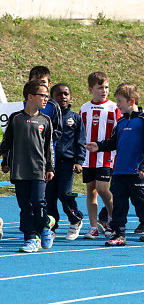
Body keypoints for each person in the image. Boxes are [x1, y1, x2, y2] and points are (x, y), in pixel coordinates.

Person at [85, 83, 144, 246]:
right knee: (119, 204)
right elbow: (113, 142)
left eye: (120, 101)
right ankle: (119, 234)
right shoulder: (121, 121)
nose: (117, 104)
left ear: (131, 101)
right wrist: (98, 146)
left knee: (140, 202)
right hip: (119, 170)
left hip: (136, 171)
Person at [0, 80, 56, 252]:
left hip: (39, 170)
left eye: (47, 96)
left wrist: (50, 167)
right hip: (19, 171)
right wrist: (5, 160)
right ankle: (31, 238)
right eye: (43, 95)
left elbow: (49, 147)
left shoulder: (45, 120)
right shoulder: (16, 118)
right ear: (30, 97)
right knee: (25, 206)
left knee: (38, 202)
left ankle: (46, 224)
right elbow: (7, 142)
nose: (46, 99)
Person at [80, 72, 120, 239]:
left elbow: (118, 132)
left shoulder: (113, 108)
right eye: (100, 87)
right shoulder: (84, 108)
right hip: (88, 157)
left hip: (106, 155)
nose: (104, 90)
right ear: (91, 89)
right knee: (91, 190)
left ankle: (111, 220)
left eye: (106, 87)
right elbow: (81, 131)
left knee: (103, 188)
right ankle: (93, 226)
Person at [45, 83, 86, 241]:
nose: (63, 97)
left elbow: (80, 141)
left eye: (66, 94)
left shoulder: (75, 118)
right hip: (49, 164)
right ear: (51, 98)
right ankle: (51, 227)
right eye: (59, 94)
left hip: (68, 163)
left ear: (70, 97)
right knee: (49, 197)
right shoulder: (47, 117)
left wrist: (79, 161)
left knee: (64, 193)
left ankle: (76, 219)